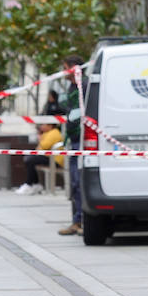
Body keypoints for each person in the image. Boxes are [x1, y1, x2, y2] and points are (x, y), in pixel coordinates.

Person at [59, 54, 85, 235]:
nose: (63, 72)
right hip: (74, 140)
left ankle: (82, 220)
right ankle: (77, 221)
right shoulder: (72, 87)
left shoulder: (85, 86)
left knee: (79, 181)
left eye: (65, 67)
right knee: (75, 183)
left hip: (83, 139)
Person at [16, 123, 64, 195]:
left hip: (55, 160)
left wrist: (40, 138)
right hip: (48, 157)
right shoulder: (47, 133)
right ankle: (35, 184)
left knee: (30, 160)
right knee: (30, 159)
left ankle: (30, 184)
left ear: (50, 125)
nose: (41, 126)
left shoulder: (54, 133)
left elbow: (44, 146)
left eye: (43, 124)